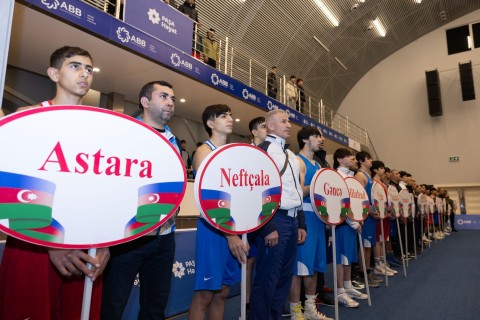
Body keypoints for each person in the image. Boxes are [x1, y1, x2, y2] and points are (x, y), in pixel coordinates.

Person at [0, 46, 109, 319]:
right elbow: (11, 185)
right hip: (33, 239)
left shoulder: (103, 128)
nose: (84, 74)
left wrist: (107, 241)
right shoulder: (28, 117)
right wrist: (49, 243)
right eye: (75, 66)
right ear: (53, 73)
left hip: (85, 242)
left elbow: (106, 189)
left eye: (88, 69)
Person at [101, 81, 179, 319]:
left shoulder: (173, 140)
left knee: (155, 306)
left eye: (173, 98)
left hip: (165, 236)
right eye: (163, 96)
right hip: (129, 235)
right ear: (145, 102)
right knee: (113, 303)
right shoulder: (126, 133)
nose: (170, 102)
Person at [189, 104, 249, 320]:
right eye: (223, 116)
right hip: (213, 229)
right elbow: (210, 198)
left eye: (231, 115)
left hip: (232, 228)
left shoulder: (232, 153)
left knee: (223, 292)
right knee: (205, 293)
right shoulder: (203, 152)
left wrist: (243, 231)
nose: (230, 118)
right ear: (210, 123)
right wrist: (230, 234)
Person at [249, 109, 307, 320]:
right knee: (267, 279)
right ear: (270, 126)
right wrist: (268, 226)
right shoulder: (262, 150)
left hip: (291, 220)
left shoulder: (290, 155)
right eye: (283, 121)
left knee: (283, 278)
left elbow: (296, 192)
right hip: (275, 219)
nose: (289, 125)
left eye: (289, 121)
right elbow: (257, 190)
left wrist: (301, 223)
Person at [289, 127, 331, 320]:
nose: (321, 139)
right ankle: (295, 310)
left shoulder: (319, 165)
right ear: (305, 139)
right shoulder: (298, 161)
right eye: (317, 136)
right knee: (299, 267)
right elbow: (298, 192)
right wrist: (316, 184)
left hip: (319, 218)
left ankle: (310, 309)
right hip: (303, 216)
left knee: (314, 266)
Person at [333, 148, 367, 308]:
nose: (354, 160)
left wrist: (359, 217)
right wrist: (353, 222)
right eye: (350, 157)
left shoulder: (351, 177)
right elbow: (340, 202)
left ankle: (348, 286)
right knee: (341, 258)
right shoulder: (337, 176)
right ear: (340, 159)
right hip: (342, 223)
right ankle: (340, 291)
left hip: (353, 222)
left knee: (349, 256)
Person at [354, 152, 381, 288]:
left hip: (372, 215)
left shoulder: (368, 176)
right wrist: (367, 210)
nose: (371, 160)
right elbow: (358, 196)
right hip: (365, 215)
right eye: (368, 158)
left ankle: (368, 271)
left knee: (369, 245)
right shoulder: (359, 176)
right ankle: (362, 273)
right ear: (361, 160)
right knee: (363, 246)